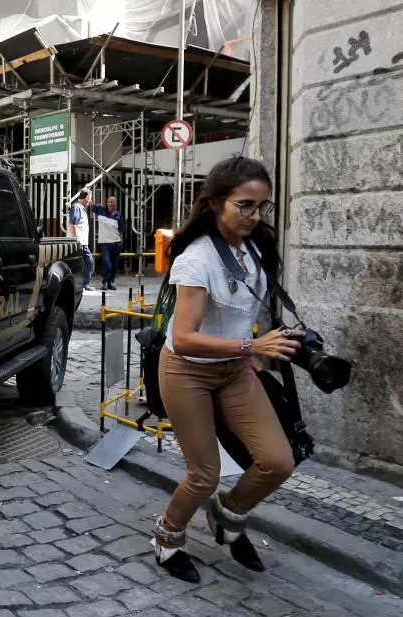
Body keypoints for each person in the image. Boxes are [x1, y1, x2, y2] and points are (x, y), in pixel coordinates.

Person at [151, 156, 299, 583]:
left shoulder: (255, 247)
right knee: (204, 474)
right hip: (187, 371)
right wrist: (254, 344)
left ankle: (226, 514)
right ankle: (166, 537)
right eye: (245, 206)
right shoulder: (197, 259)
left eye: (262, 206)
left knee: (277, 461)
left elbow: (252, 307)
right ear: (216, 203)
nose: (255, 216)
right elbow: (184, 338)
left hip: (235, 370)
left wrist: (288, 335)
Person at [88, 196, 123, 290]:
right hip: (105, 244)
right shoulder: (101, 210)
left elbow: (121, 230)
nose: (110, 204)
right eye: (108, 202)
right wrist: (89, 195)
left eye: (112, 202)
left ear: (116, 204)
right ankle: (104, 282)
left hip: (116, 243)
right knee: (107, 263)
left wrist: (121, 243)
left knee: (114, 265)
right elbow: (91, 204)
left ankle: (110, 283)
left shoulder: (118, 215)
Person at [68, 190, 96, 291]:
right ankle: (81, 284)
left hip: (82, 242)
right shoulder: (77, 207)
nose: (90, 201)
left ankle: (84, 284)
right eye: (90, 198)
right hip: (78, 242)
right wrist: (76, 240)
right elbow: (72, 224)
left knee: (88, 261)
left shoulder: (81, 208)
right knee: (82, 263)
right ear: (87, 197)